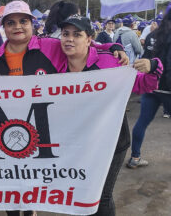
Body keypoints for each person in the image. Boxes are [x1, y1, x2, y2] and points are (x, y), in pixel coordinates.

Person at [0, 0, 128, 216]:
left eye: (23, 21)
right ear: (3, 27)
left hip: (46, 134)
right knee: (14, 186)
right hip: (14, 131)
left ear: (32, 24)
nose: (17, 27)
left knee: (72, 189)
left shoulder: (50, 46)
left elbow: (87, 45)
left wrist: (114, 47)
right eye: (11, 22)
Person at [58, 14, 163, 216]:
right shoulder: (56, 64)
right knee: (79, 193)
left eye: (77, 34)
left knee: (101, 196)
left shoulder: (109, 63)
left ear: (88, 39)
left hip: (111, 142)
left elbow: (142, 84)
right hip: (78, 142)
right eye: (65, 34)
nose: (69, 39)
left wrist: (153, 67)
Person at [128, 0, 171, 168]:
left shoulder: (152, 34)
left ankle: (135, 157)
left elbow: (145, 61)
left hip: (151, 86)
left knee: (142, 122)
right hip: (169, 90)